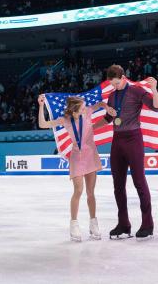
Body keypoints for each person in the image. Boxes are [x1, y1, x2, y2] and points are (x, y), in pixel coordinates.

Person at [37, 94, 114, 241]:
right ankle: (74, 224)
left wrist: (106, 107)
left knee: (91, 193)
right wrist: (41, 106)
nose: (86, 109)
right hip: (77, 157)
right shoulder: (65, 120)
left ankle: (93, 223)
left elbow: (99, 104)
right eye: (82, 108)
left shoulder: (88, 112)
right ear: (74, 111)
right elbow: (42, 124)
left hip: (91, 155)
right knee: (78, 190)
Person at [105, 64, 158, 240]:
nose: (114, 87)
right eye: (112, 84)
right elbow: (108, 118)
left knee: (139, 182)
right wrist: (90, 128)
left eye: (116, 83)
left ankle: (147, 224)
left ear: (123, 77)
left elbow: (156, 107)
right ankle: (123, 224)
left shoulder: (136, 91)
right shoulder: (111, 96)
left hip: (133, 139)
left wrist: (154, 89)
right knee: (118, 186)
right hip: (117, 141)